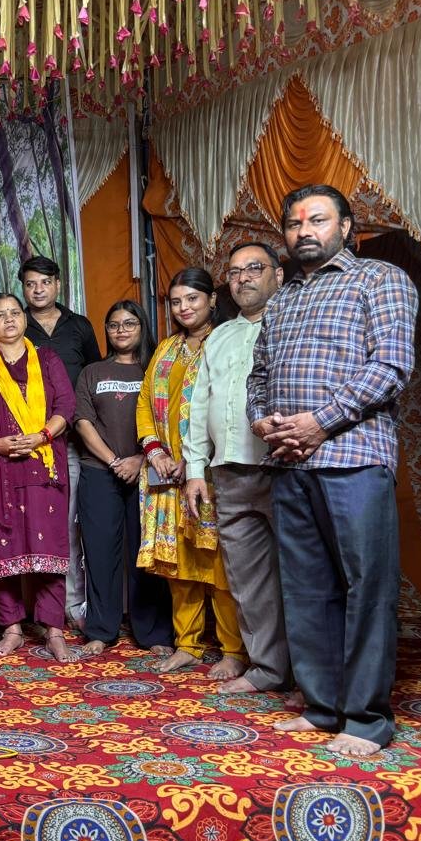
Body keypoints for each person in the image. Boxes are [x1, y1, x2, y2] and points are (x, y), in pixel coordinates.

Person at [249, 184, 418, 755]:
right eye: (295, 223)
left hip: (354, 458)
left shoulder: (380, 280)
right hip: (289, 462)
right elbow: (258, 376)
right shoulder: (282, 300)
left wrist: (319, 422)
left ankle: (366, 719)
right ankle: (322, 707)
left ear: (345, 227)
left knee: (367, 587)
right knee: (305, 589)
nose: (305, 231)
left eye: (318, 220)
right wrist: (262, 421)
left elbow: (391, 365)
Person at [182, 242, 291, 695]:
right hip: (228, 471)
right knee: (247, 578)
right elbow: (198, 403)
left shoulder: (294, 324)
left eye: (254, 268)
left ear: (278, 275)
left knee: (299, 574)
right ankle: (267, 668)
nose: (243, 278)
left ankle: (312, 676)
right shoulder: (220, 336)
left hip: (284, 467)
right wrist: (195, 468)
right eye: (234, 272)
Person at [136, 267, 245, 677]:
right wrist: (155, 451)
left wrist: (196, 458)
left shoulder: (227, 341)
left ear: (212, 300)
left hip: (211, 474)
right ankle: (188, 644)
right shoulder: (167, 348)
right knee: (178, 564)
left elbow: (231, 403)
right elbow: (144, 401)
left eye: (192, 299)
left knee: (218, 565)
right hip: (165, 475)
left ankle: (234, 651)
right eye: (176, 301)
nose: (183, 308)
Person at [0, 292, 76, 661]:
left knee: (48, 546)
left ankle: (53, 630)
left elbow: (66, 406)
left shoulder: (47, 359)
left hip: (43, 463)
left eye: (14, 313)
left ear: (24, 319)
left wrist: (42, 436)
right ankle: (12, 628)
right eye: (0, 315)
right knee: (1, 545)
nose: (9, 320)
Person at [72, 300, 173, 657]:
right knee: (100, 553)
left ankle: (153, 632)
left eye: (129, 323)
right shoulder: (92, 372)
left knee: (147, 553)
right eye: (114, 325)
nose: (121, 330)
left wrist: (139, 459)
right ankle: (101, 629)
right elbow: (83, 422)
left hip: (149, 470)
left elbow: (167, 421)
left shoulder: (156, 369)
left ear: (142, 327)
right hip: (100, 471)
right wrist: (115, 461)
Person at [20, 256, 102, 629]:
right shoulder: (16, 325)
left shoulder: (79, 326)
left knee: (75, 524)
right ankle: (43, 609)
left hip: (76, 440)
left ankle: (75, 605)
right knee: (40, 525)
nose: (38, 289)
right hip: (32, 444)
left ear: (57, 284)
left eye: (45, 282)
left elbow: (94, 377)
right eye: (30, 283)